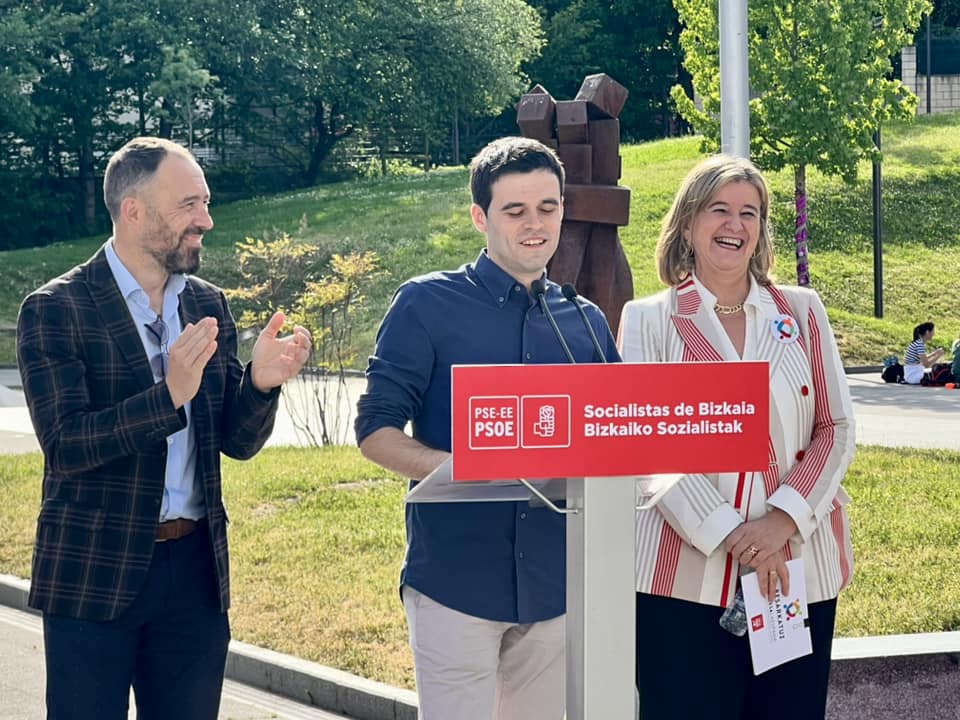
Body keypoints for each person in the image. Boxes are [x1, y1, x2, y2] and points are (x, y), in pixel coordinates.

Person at [16, 136, 312, 720]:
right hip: (93, 573)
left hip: (195, 574)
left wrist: (259, 384)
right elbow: (67, 445)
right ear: (133, 211)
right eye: (188, 206)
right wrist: (168, 395)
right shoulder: (55, 309)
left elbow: (237, 442)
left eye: (204, 203)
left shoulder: (207, 305)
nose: (205, 220)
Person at [355, 136, 619, 719]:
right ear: (480, 216)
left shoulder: (586, 321)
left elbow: (616, 437)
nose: (535, 224)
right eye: (515, 210)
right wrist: (458, 468)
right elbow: (375, 430)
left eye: (548, 208)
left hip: (557, 588)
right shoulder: (424, 305)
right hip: (457, 582)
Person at [618, 155, 855, 720]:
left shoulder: (801, 311)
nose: (735, 224)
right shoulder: (649, 320)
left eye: (749, 212)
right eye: (719, 209)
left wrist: (781, 522)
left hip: (794, 567)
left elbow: (836, 427)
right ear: (688, 223)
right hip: (682, 575)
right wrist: (733, 533)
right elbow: (648, 443)